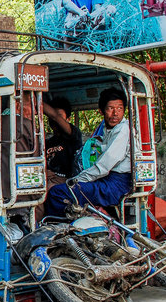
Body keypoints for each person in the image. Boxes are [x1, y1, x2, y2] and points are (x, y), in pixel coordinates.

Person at [46, 88, 131, 216]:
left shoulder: (122, 129)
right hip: (106, 181)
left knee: (57, 193)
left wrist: (75, 181)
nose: (115, 113)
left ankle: (58, 226)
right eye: (110, 108)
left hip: (114, 185)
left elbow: (103, 167)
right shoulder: (107, 130)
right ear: (101, 111)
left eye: (119, 108)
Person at [44, 96, 83, 186]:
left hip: (67, 181)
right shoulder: (47, 143)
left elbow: (55, 116)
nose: (54, 120)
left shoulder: (74, 136)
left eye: (59, 117)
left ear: (68, 119)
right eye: (51, 117)